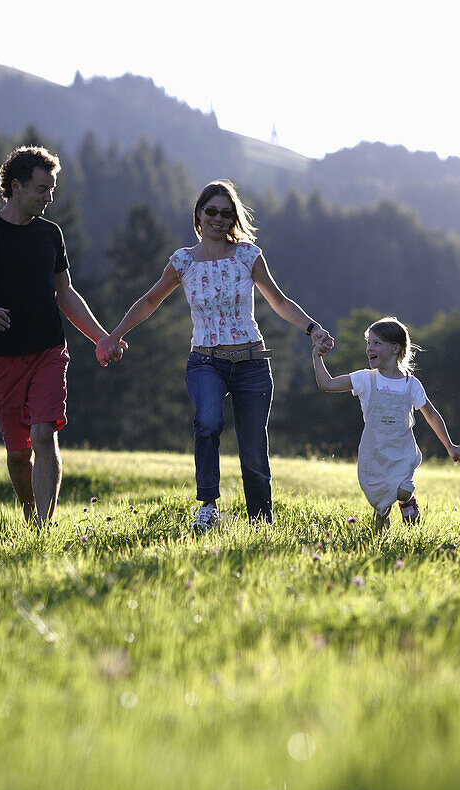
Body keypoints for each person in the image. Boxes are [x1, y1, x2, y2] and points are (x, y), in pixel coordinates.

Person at [96, 179, 332, 530]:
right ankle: (207, 507)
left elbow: (278, 301)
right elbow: (148, 301)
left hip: (251, 362)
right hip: (206, 361)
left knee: (253, 449)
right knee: (207, 423)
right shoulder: (183, 262)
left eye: (226, 213)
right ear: (199, 214)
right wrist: (114, 335)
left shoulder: (248, 255)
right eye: (212, 211)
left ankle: (260, 522)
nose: (219, 219)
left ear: (233, 218)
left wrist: (313, 329)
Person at [0, 145, 125, 527]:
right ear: (17, 186)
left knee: (43, 435)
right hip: (2, 357)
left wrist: (102, 338)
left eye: (52, 189)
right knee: (17, 454)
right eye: (42, 189)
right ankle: (29, 516)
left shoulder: (50, 234)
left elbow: (65, 294)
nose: (49, 197)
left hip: (48, 350)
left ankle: (42, 528)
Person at [311, 316, 460, 529]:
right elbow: (327, 384)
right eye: (368, 343)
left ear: (395, 349)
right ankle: (380, 526)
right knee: (379, 500)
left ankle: (407, 501)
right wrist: (317, 357)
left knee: (402, 490)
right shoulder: (365, 378)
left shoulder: (411, 384)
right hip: (374, 451)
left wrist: (449, 446)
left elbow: (431, 414)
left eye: (377, 343)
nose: (369, 348)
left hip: (401, 450)